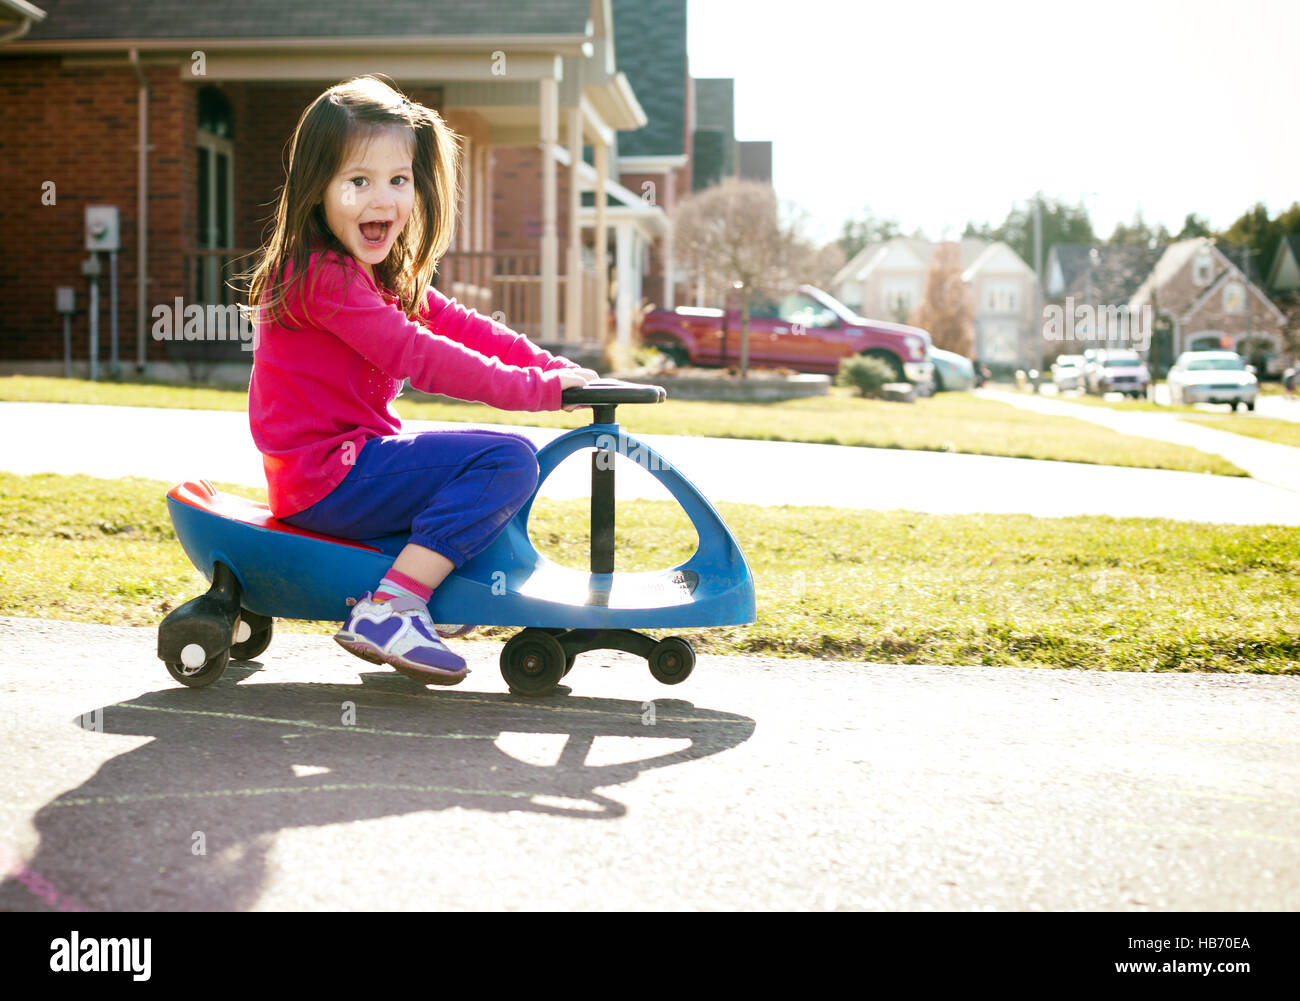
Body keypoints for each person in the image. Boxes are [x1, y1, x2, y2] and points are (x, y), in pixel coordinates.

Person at [245, 76, 597, 686]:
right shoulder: (321, 277)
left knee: (477, 474)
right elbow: (420, 355)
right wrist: (537, 393)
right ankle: (391, 610)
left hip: (343, 469)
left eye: (398, 180)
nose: (382, 200)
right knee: (505, 461)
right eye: (358, 181)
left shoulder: (375, 271)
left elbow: (462, 326)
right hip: (328, 477)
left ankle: (423, 595)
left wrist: (551, 368)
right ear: (316, 189)